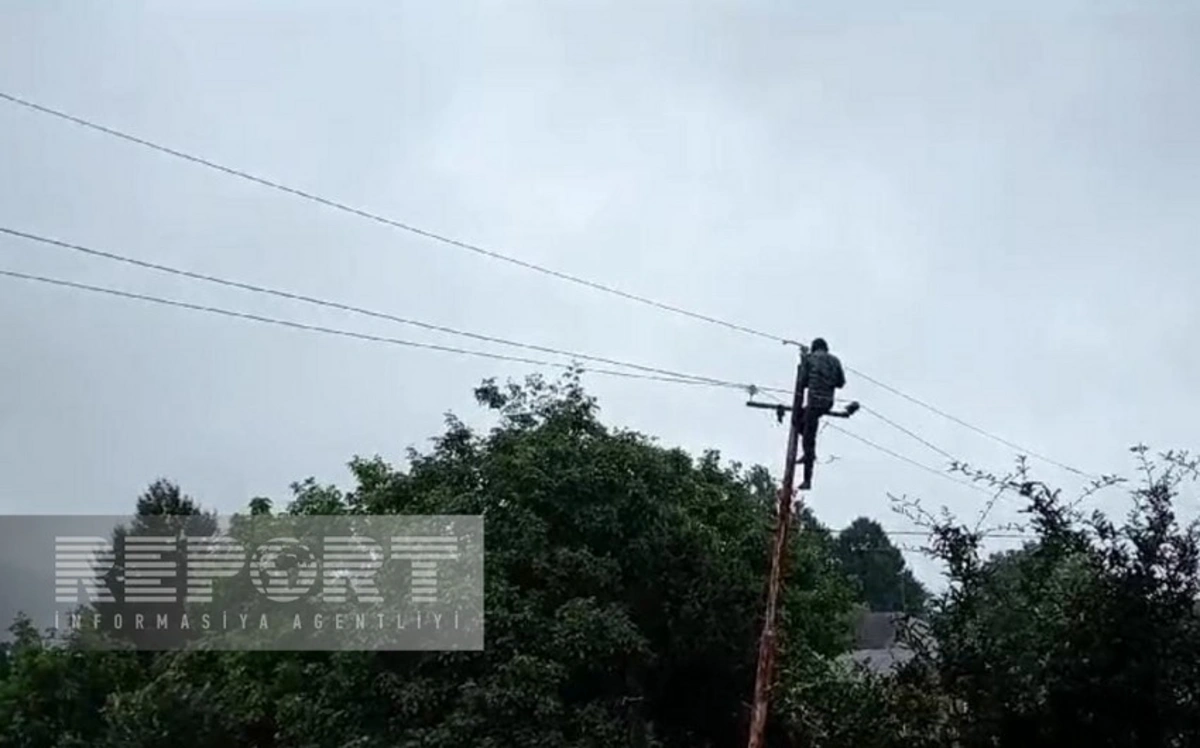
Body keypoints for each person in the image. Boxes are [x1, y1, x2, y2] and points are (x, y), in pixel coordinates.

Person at [797, 337, 845, 490]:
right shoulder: (835, 360)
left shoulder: (810, 358)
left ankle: (807, 478)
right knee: (801, 422)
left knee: (807, 438)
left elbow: (802, 382)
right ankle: (809, 453)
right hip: (827, 403)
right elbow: (841, 383)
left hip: (814, 402)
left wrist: (804, 361)